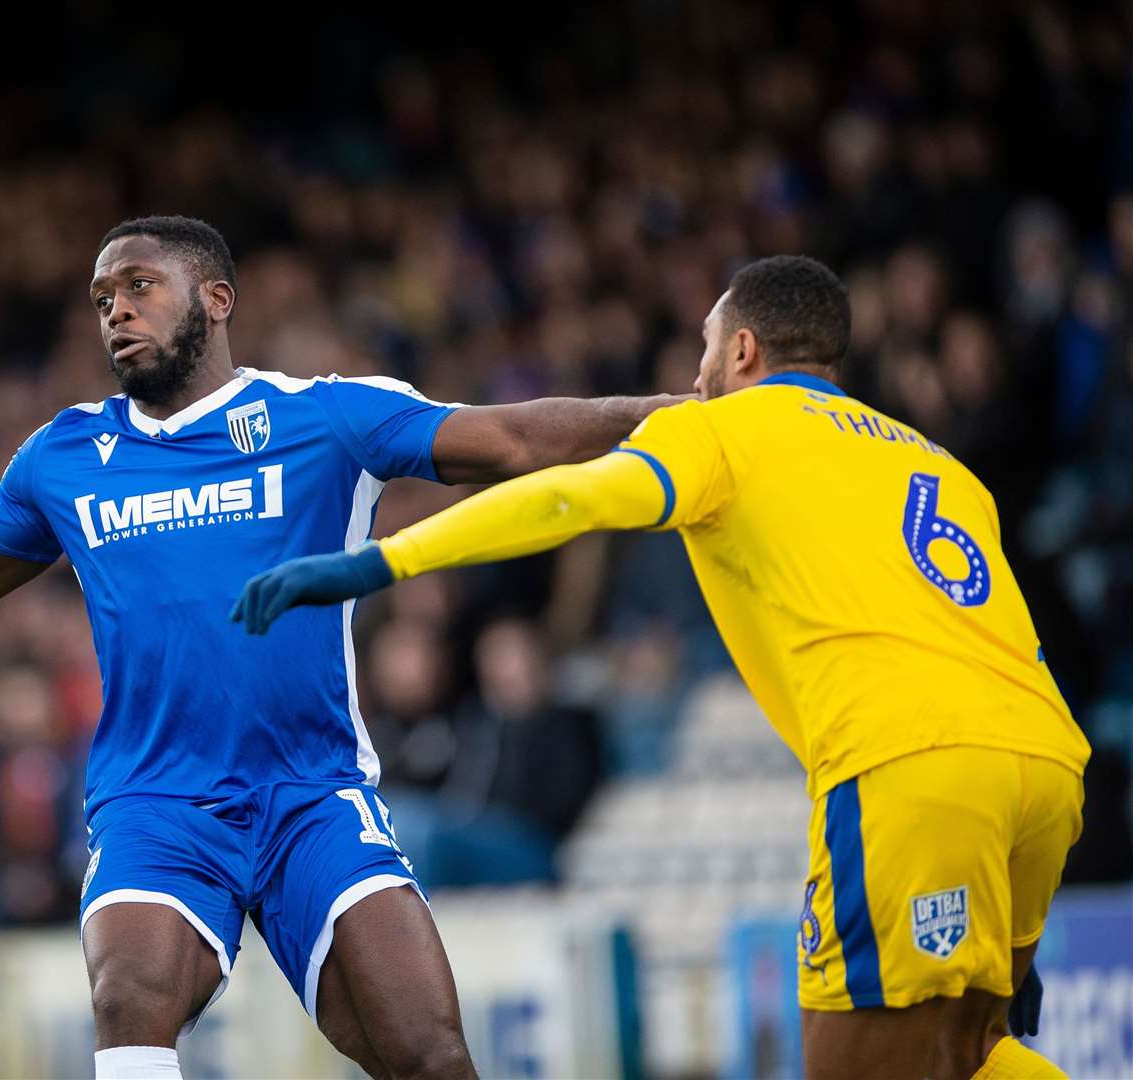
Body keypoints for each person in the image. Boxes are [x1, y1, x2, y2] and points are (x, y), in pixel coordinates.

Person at [0, 216, 673, 1080]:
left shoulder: (327, 420)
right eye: (101, 299)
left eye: (138, 287)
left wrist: (698, 414)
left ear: (216, 298)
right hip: (157, 801)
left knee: (427, 1053)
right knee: (128, 1000)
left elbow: (516, 438)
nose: (114, 310)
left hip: (312, 794)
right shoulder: (66, 455)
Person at [234, 255, 1091, 1080]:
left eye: (706, 346)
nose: (698, 368)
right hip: (1041, 769)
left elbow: (570, 496)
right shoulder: (933, 457)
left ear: (744, 351)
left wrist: (385, 561)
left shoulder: (720, 426)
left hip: (911, 770)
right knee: (970, 1059)